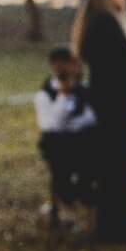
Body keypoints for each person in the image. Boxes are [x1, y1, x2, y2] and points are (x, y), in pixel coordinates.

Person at [74, 0, 126, 244]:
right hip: (115, 106)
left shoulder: (106, 22)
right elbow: (120, 68)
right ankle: (116, 226)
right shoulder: (104, 24)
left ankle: (116, 223)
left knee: (117, 164)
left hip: (111, 103)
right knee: (117, 164)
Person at [35, 45, 99, 230]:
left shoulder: (84, 90)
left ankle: (86, 200)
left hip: (83, 143)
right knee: (61, 175)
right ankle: (64, 202)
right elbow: (51, 124)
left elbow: (90, 118)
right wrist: (64, 96)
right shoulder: (46, 94)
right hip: (58, 144)